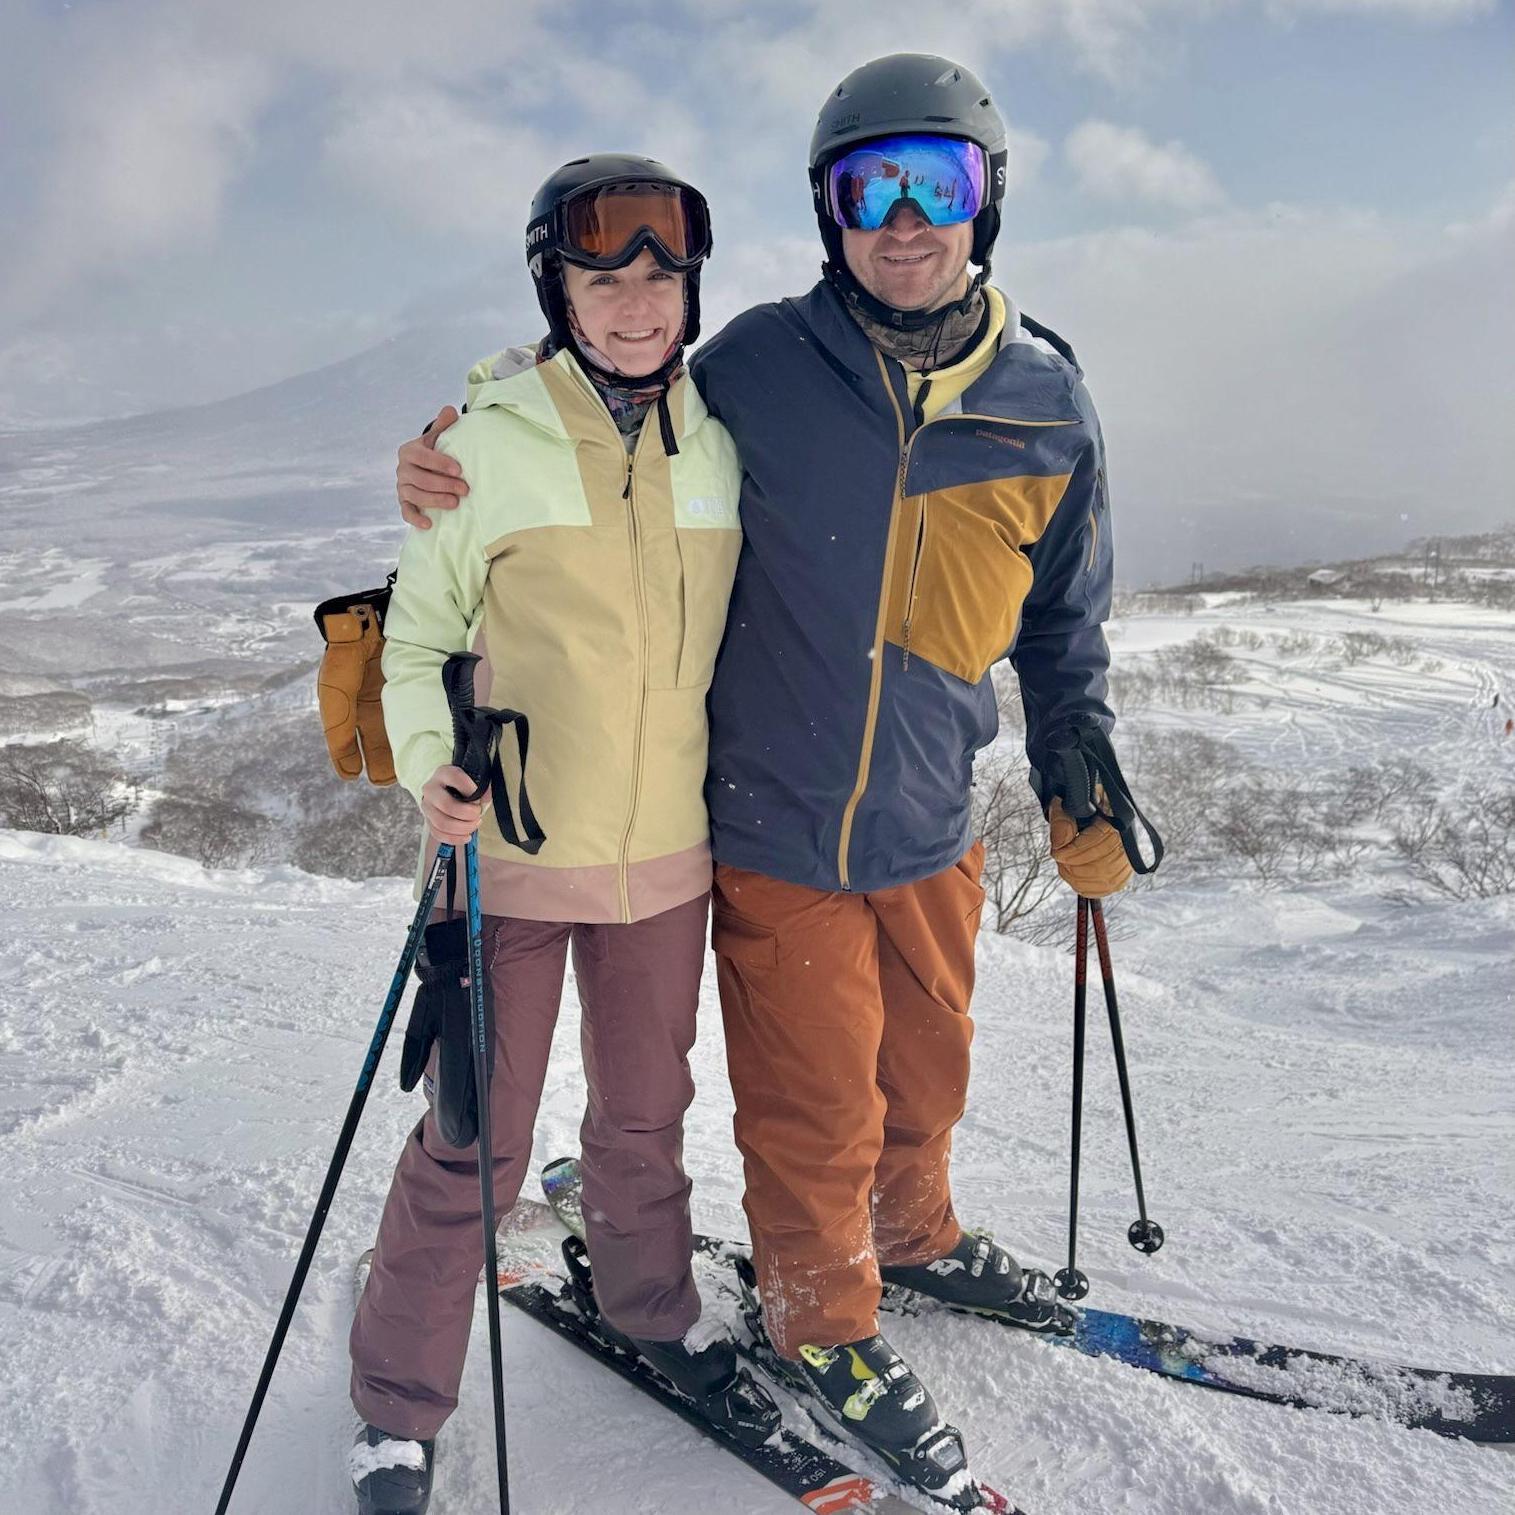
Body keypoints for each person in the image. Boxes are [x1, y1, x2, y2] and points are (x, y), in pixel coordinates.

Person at [394, 54, 1150, 1503]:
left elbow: (1065, 615)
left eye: (944, 183)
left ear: (989, 205)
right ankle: (821, 1312)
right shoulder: (753, 367)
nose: (909, 218)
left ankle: (914, 1228)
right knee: (813, 1099)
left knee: (925, 1068)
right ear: (830, 211)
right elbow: (599, 392)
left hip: (935, 815)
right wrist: (451, 441)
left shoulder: (1049, 396)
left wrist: (1076, 749)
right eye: (875, 187)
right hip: (773, 821)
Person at [350, 154, 778, 1515]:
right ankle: (398, 1409)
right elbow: (416, 644)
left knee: (647, 1117)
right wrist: (430, 769)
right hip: (508, 857)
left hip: (663, 861)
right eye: (606, 274)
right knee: (476, 1134)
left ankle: (653, 1306)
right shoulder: (484, 449)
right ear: (561, 286)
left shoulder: (716, 441)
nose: (639, 299)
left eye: (663, 274)